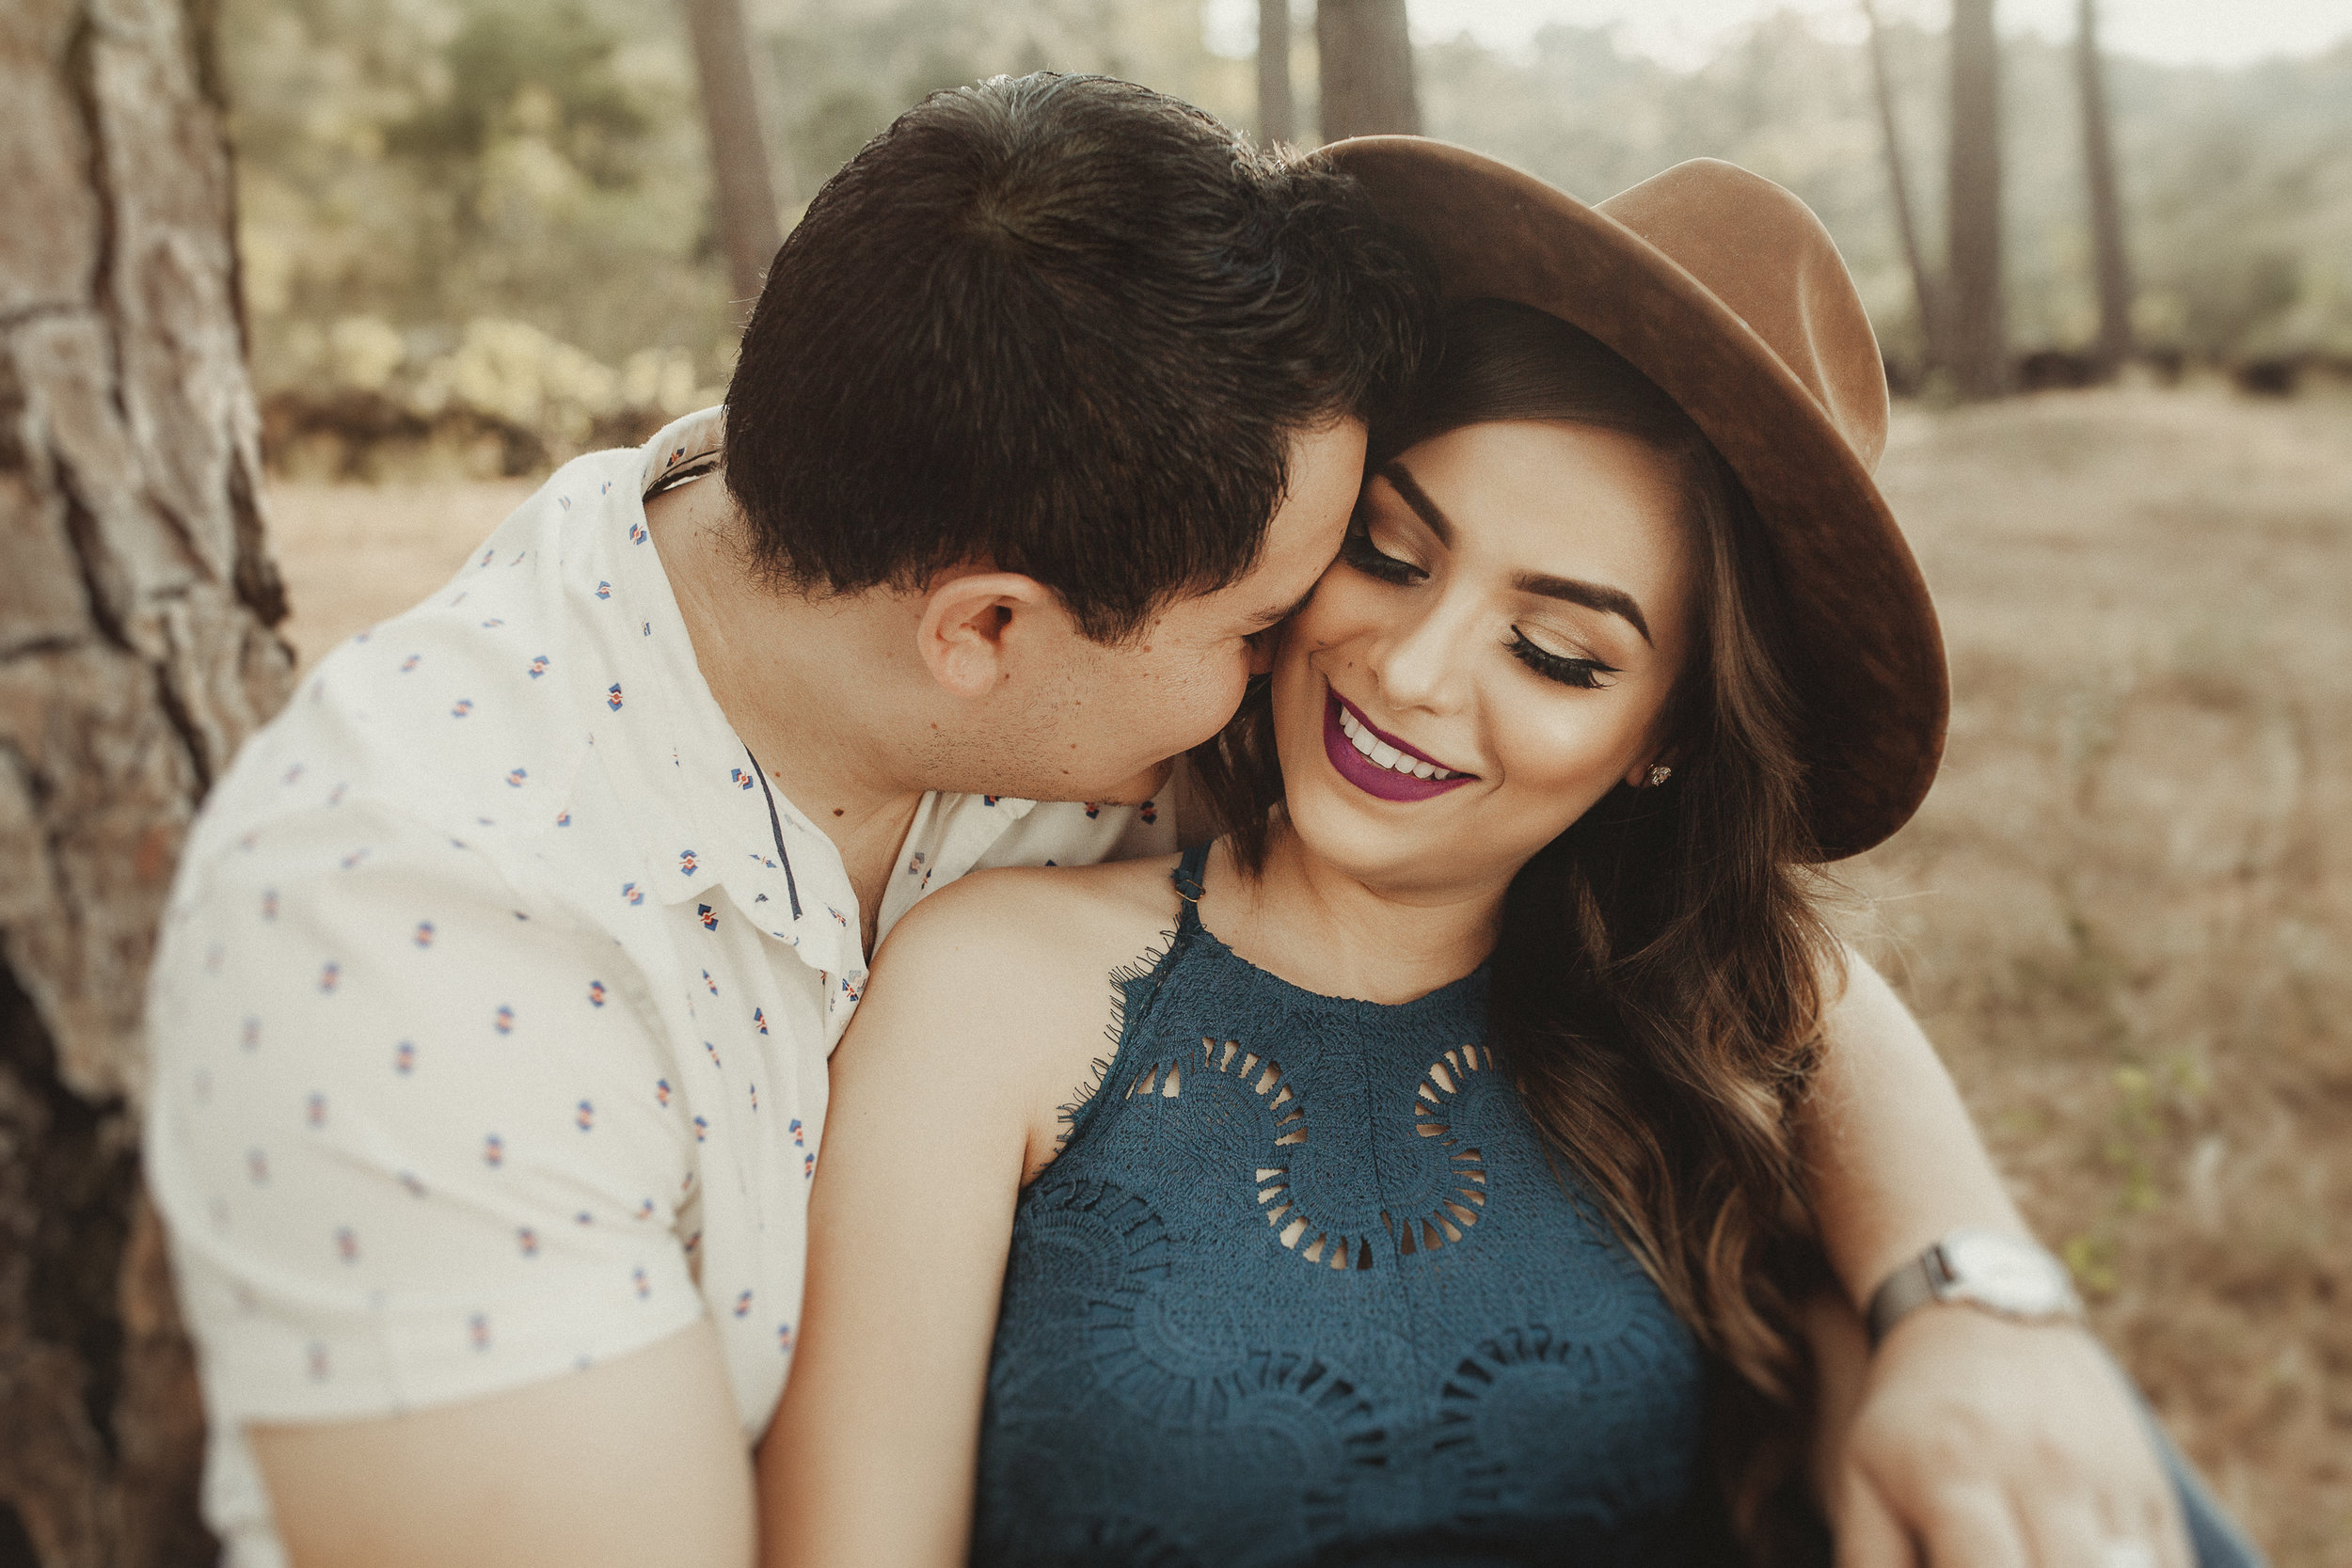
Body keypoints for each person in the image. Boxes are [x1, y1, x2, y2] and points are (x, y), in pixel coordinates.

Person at [145, 74, 2234, 1568]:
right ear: (985, 635)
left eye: (1567, 653)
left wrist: (1967, 1294)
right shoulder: (419, 942)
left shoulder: (1021, 575)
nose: (1375, 674)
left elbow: (1774, 980)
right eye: (1317, 591)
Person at [760, 148, 2261, 1567]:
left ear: (1667, 737)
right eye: (1392, 557)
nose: (1412, 674)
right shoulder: (995, 989)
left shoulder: (1705, 1037)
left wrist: (1978, 1304)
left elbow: (1813, 997)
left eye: (1554, 652)